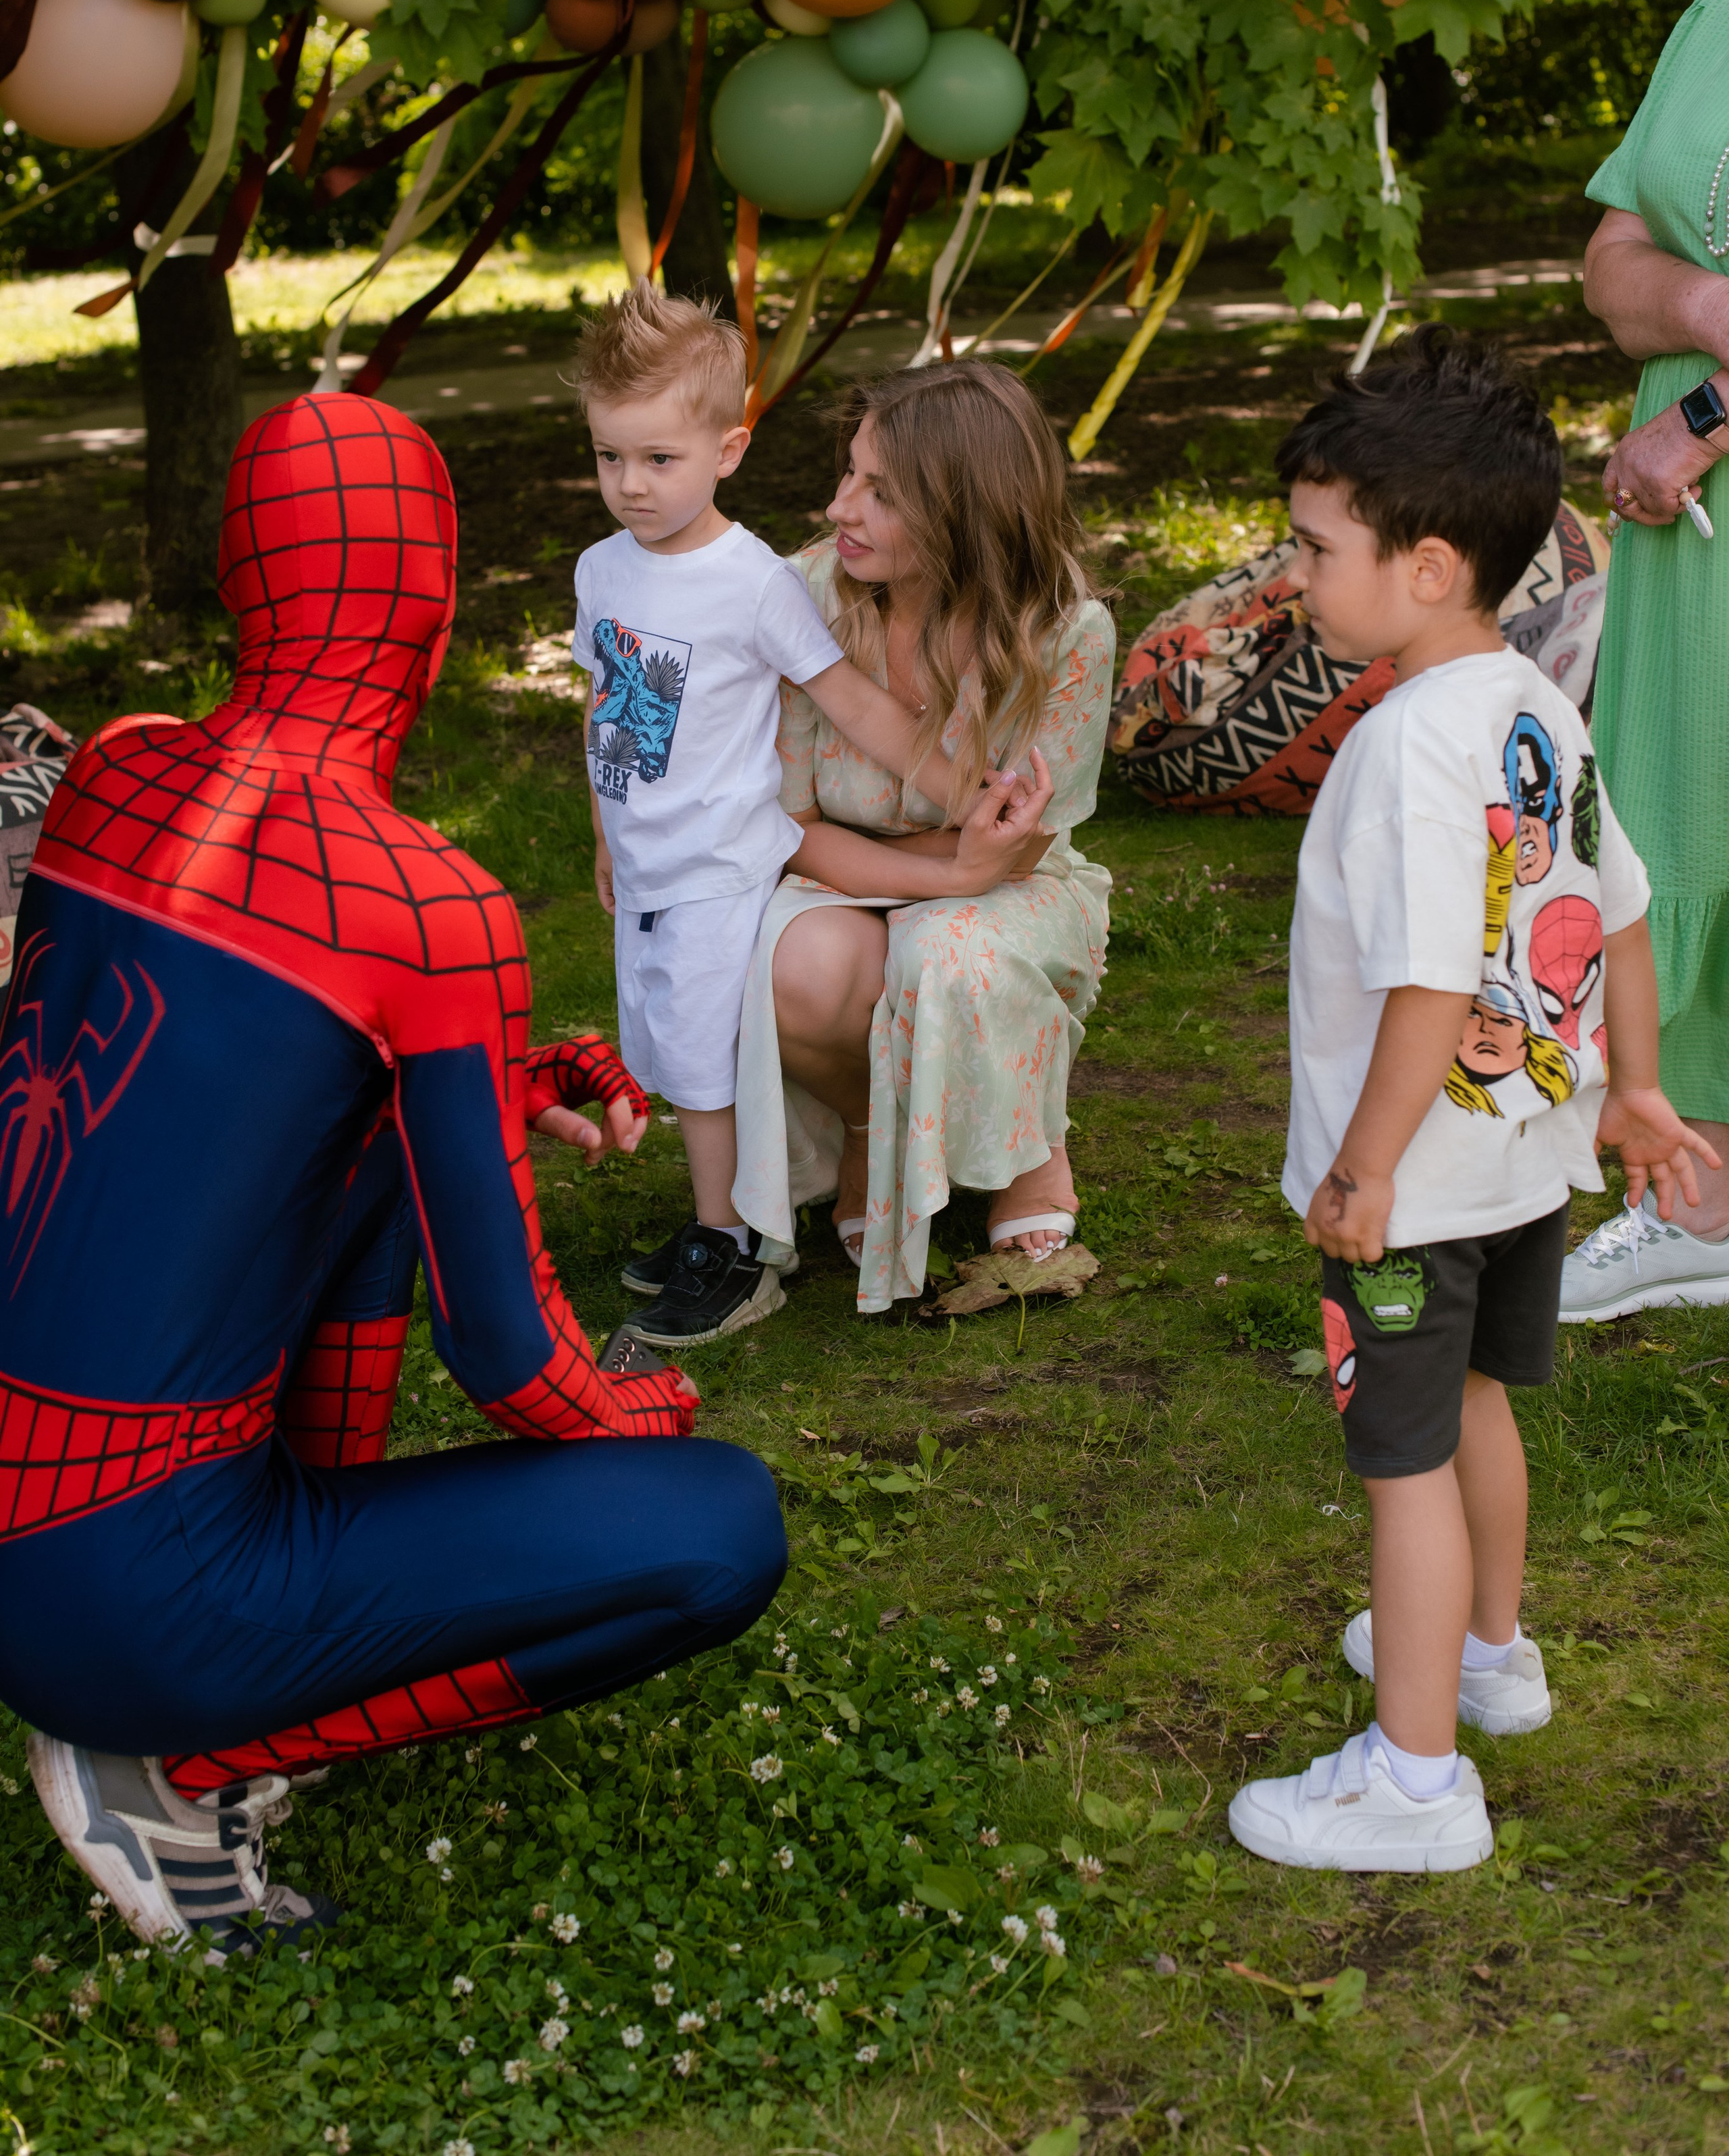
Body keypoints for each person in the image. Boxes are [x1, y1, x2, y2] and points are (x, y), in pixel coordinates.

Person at [0, 391, 788, 1958]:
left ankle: (218, 1647)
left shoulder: (116, 771)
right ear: (428, 612)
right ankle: (177, 1758)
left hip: (37, 1510)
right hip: (130, 1588)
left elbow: (208, 1069)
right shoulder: (429, 908)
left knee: (369, 1132)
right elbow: (511, 1363)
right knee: (716, 1529)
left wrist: (485, 1078)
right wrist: (644, 1404)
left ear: (244, 577)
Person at [1227, 330, 1711, 1875]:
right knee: (1477, 1409)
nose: (1295, 573)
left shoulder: (1393, 750)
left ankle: (1414, 1781)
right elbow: (1615, 905)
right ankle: (1489, 1653)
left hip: (1416, 1187)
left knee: (1398, 1457)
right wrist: (1630, 1086)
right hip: (1523, 1168)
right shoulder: (1530, 704)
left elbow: (1430, 984)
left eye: (1315, 547)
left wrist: (1360, 1169)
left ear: (1426, 565)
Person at [572, 286, 1038, 1349]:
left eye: (659, 460)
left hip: (720, 864)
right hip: (646, 866)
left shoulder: (753, 583)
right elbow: (607, 711)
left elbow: (855, 703)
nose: (631, 486)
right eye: (610, 458)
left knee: (698, 1058)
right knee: (662, 1046)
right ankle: (731, 1218)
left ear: (728, 450)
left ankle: (733, 1252)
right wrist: (604, 830)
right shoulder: (601, 572)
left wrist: (972, 789)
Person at [731, 361, 1114, 1315]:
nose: (839, 506)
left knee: (953, 951)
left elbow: (1014, 849)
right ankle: (872, 1121)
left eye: (881, 492)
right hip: (842, 868)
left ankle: (1029, 1144)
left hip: (1012, 882)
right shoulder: (802, 597)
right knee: (788, 962)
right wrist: (943, 871)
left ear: (966, 513)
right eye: (850, 474)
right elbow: (790, 826)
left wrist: (962, 881)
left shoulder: (1065, 629)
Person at [1556, 0, 1729, 1321]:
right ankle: (1698, 1195)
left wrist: (1695, 416)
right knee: (1678, 823)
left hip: (1687, 470)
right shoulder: (1704, 22)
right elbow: (1612, 257)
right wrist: (1694, 307)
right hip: (1687, 540)